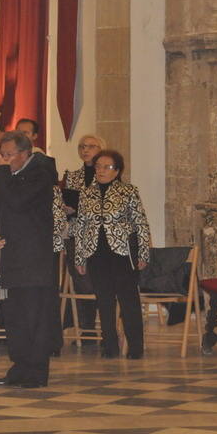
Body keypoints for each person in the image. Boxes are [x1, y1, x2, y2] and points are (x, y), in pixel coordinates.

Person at [0, 131, 55, 388]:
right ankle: (19, 367)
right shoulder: (9, 177)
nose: (4, 160)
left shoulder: (40, 174)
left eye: (8, 155)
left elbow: (17, 201)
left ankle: (36, 371)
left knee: (34, 317)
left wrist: (2, 172)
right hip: (10, 258)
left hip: (32, 260)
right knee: (14, 317)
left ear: (25, 153)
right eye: (1, 155)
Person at [74, 149, 151, 359]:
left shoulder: (128, 191)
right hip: (95, 254)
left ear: (117, 171)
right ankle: (109, 346)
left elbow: (141, 224)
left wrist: (143, 254)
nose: (101, 170)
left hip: (122, 254)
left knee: (128, 300)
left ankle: (135, 347)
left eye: (107, 167)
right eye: (98, 166)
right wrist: (79, 257)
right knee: (104, 301)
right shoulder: (86, 193)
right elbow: (80, 227)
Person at [62, 134, 107, 342]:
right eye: (82, 146)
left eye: (91, 146)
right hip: (76, 235)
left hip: (100, 235)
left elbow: (106, 207)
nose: (85, 150)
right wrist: (66, 209)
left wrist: (80, 209)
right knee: (82, 282)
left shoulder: (108, 175)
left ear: (101, 148)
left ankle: (106, 327)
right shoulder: (72, 176)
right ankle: (87, 328)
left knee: (101, 279)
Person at [16, 118, 57, 183]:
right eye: (18, 132)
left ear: (34, 136)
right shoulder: (9, 154)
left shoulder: (39, 157)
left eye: (25, 133)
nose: (20, 136)